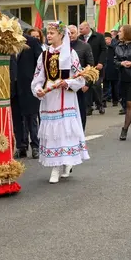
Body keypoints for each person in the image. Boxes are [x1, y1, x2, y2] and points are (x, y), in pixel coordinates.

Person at [31, 22, 89, 183]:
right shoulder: (43, 55)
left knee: (65, 130)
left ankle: (63, 163)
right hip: (50, 99)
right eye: (48, 33)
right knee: (53, 133)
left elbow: (80, 77)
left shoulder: (70, 54)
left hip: (66, 98)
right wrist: (38, 90)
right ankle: (56, 165)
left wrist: (68, 83)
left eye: (52, 33)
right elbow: (38, 77)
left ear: (61, 35)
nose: (49, 35)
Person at [11, 31, 41, 159]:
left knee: (31, 118)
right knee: (17, 119)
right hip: (14, 87)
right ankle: (21, 146)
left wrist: (38, 83)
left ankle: (35, 146)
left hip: (29, 86)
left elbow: (40, 64)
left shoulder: (32, 42)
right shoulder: (7, 44)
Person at [67, 24, 94, 129]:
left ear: (77, 33)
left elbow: (90, 66)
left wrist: (87, 83)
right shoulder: (62, 47)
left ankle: (81, 131)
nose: (70, 36)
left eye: (72, 33)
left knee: (81, 110)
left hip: (80, 83)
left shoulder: (85, 46)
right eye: (68, 34)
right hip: (67, 84)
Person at [79, 22, 106, 115]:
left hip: (97, 66)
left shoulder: (99, 36)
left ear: (87, 28)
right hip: (85, 67)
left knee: (96, 86)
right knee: (87, 86)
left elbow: (104, 50)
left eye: (81, 29)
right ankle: (88, 107)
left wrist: (101, 62)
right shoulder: (80, 38)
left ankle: (100, 104)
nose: (80, 31)